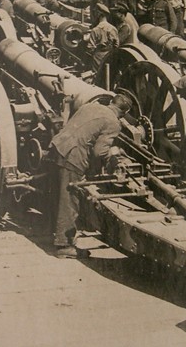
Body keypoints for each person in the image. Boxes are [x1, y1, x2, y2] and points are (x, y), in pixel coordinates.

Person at [49, 92, 133, 258]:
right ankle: (64, 245)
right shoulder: (113, 122)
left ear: (111, 101)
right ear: (125, 112)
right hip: (73, 156)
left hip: (58, 146)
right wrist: (115, 153)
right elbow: (98, 152)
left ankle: (56, 234)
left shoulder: (89, 106)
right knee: (70, 199)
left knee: (58, 195)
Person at [84, 3, 119, 71]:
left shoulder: (95, 30)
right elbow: (116, 45)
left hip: (98, 57)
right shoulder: (113, 28)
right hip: (110, 57)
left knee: (97, 75)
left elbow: (90, 47)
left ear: (99, 14)